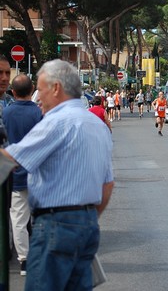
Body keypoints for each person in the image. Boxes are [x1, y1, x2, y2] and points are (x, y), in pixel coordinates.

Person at [0, 59, 113, 290]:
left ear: (56, 88)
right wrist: (83, 218)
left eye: (40, 90)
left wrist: (65, 220)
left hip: (55, 224)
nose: (38, 98)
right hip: (88, 224)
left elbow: (9, 160)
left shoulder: (56, 122)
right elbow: (107, 185)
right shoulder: (97, 125)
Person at [3, 74, 43, 276]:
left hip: (15, 173)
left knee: (18, 219)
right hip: (37, 174)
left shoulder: (5, 113)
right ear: (32, 89)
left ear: (13, 91)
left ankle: (24, 260)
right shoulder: (38, 113)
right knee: (40, 218)